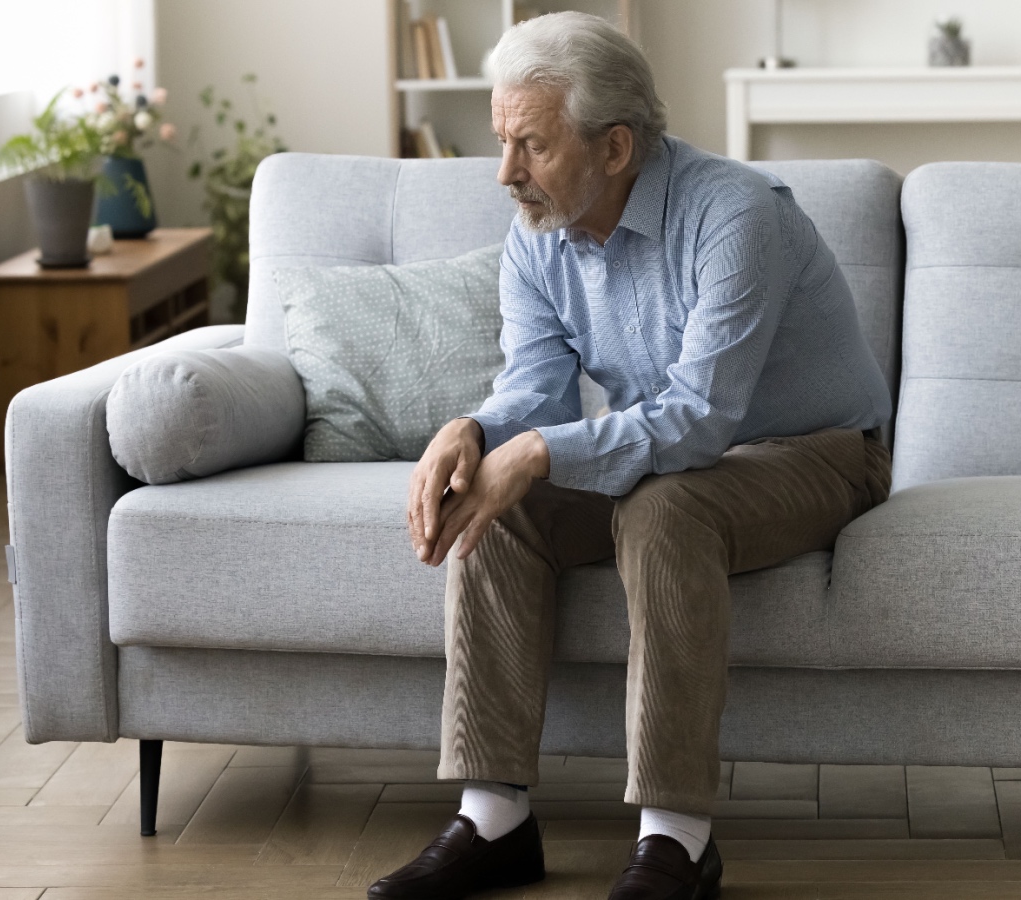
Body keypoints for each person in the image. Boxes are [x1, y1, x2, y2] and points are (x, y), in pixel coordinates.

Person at [371, 11, 893, 900]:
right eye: (504, 142)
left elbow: (695, 421)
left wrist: (536, 450)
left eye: (530, 145)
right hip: (689, 457)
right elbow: (532, 388)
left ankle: (677, 839)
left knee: (664, 503)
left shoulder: (735, 214)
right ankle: (493, 816)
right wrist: (478, 433)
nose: (507, 173)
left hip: (819, 454)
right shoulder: (537, 231)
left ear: (615, 149)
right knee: (499, 503)